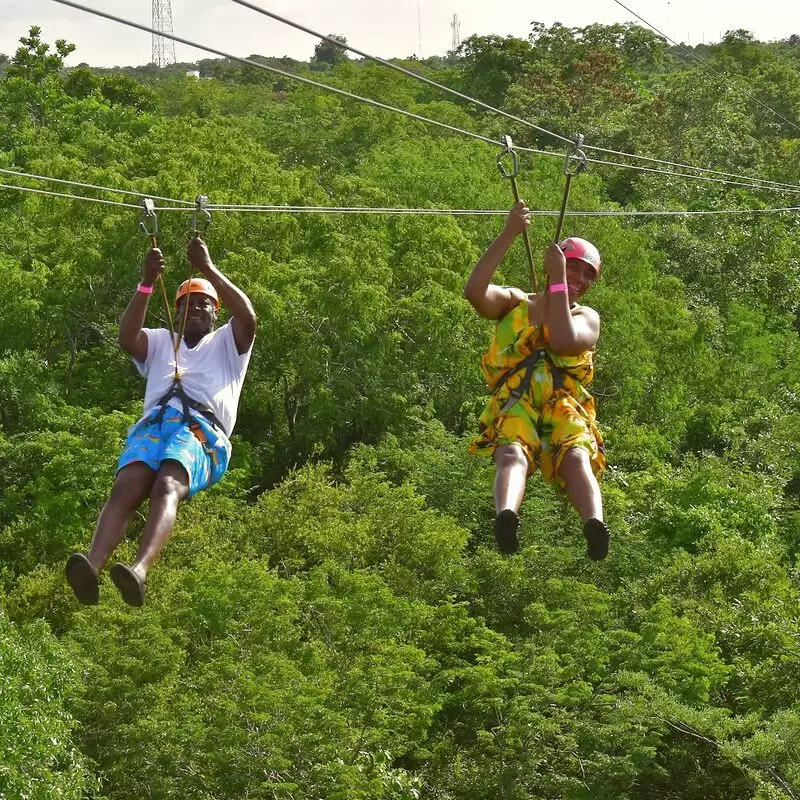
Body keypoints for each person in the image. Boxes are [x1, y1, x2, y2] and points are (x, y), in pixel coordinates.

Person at [65, 237, 257, 606]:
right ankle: (91, 566)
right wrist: (146, 284)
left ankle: (138, 571)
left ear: (216, 314)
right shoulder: (159, 340)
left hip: (201, 432)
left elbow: (247, 315)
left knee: (167, 484)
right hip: (155, 426)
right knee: (127, 485)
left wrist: (206, 268)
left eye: (206, 305)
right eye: (190, 304)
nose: (199, 309)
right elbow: (127, 337)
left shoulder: (227, 345)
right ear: (177, 310)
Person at [464, 200, 609, 559]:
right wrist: (509, 234)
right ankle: (507, 516)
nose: (579, 280)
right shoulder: (516, 302)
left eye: (586, 275)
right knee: (512, 453)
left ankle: (594, 522)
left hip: (563, 399)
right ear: (555, 264)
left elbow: (562, 340)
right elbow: (475, 292)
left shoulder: (586, 317)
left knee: (576, 454)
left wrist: (558, 281)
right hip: (518, 397)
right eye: (573, 269)